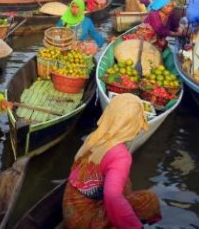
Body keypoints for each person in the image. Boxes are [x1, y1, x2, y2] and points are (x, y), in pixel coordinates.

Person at [63, 93, 161, 229]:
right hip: (85, 221)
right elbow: (112, 196)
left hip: (70, 207)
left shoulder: (96, 136)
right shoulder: (121, 155)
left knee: (124, 182)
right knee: (149, 200)